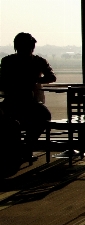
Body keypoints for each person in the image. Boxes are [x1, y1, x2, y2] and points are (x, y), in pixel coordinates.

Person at [0, 32, 56, 163]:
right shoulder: (39, 61)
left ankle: (17, 149)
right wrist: (35, 80)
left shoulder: (7, 61)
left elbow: (1, 81)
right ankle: (27, 147)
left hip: (12, 102)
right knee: (44, 117)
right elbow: (51, 77)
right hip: (30, 103)